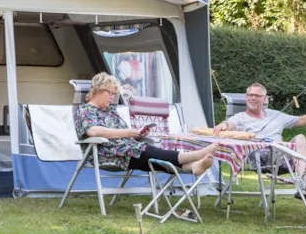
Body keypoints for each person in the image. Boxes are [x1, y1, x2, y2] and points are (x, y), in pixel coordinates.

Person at [213, 82, 306, 223]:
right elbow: (229, 124)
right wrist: (222, 125)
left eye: (257, 95)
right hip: (263, 158)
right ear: (246, 98)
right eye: (250, 95)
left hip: (285, 155)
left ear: (264, 99)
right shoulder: (240, 117)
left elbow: (302, 120)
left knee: (301, 139)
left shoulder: (275, 115)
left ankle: (305, 188)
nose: (253, 98)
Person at [74, 72, 216, 177]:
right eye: (110, 93)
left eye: (114, 94)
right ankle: (195, 155)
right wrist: (127, 133)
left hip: (126, 151)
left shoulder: (110, 111)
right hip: (106, 154)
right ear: (98, 90)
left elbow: (122, 135)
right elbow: (93, 131)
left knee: (152, 160)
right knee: (150, 154)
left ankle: (193, 166)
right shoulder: (85, 110)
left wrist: (137, 135)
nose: (112, 97)